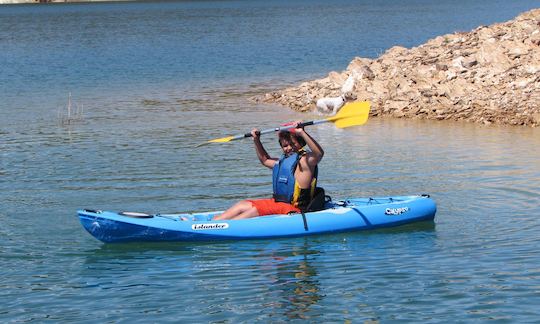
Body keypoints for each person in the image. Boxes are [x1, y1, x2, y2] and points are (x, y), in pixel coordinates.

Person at [213, 121, 324, 220]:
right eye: (285, 146)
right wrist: (256, 140)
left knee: (255, 210)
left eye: (292, 144)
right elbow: (265, 160)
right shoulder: (282, 162)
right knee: (243, 204)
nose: (289, 148)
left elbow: (319, 153)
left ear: (301, 143)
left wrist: (302, 133)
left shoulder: (306, 161)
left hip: (294, 209)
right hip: (278, 203)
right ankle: (215, 222)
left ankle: (226, 227)